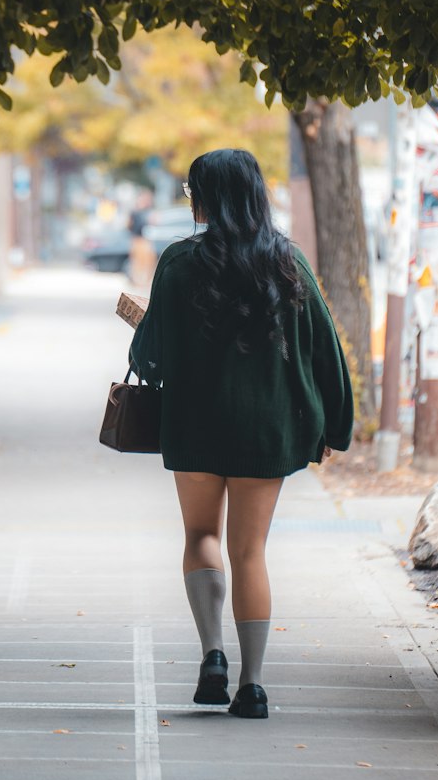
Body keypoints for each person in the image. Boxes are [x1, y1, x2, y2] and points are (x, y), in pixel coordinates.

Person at [129, 148, 354, 719]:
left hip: (195, 423)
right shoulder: (288, 263)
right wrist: (336, 425)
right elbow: (326, 351)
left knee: (202, 535)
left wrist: (147, 324)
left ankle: (212, 656)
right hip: (268, 428)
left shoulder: (179, 263)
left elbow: (149, 356)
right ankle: (252, 686)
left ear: (204, 198)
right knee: (250, 551)